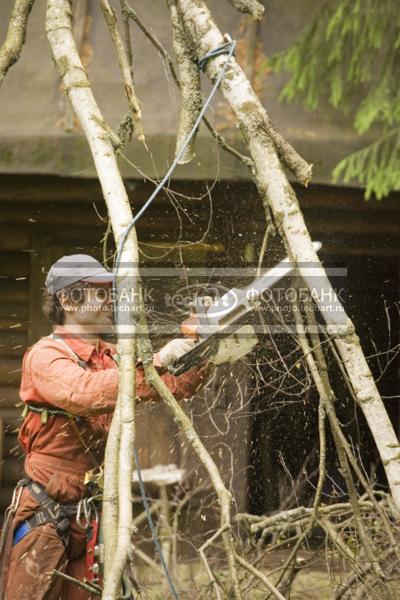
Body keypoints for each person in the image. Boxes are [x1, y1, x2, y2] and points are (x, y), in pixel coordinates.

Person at [0, 254, 210, 600]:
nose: (108, 300)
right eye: (99, 292)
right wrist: (159, 360)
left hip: (93, 515)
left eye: (109, 292)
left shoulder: (112, 356)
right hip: (46, 513)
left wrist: (204, 351)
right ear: (67, 299)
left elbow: (172, 385)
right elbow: (84, 392)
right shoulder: (46, 355)